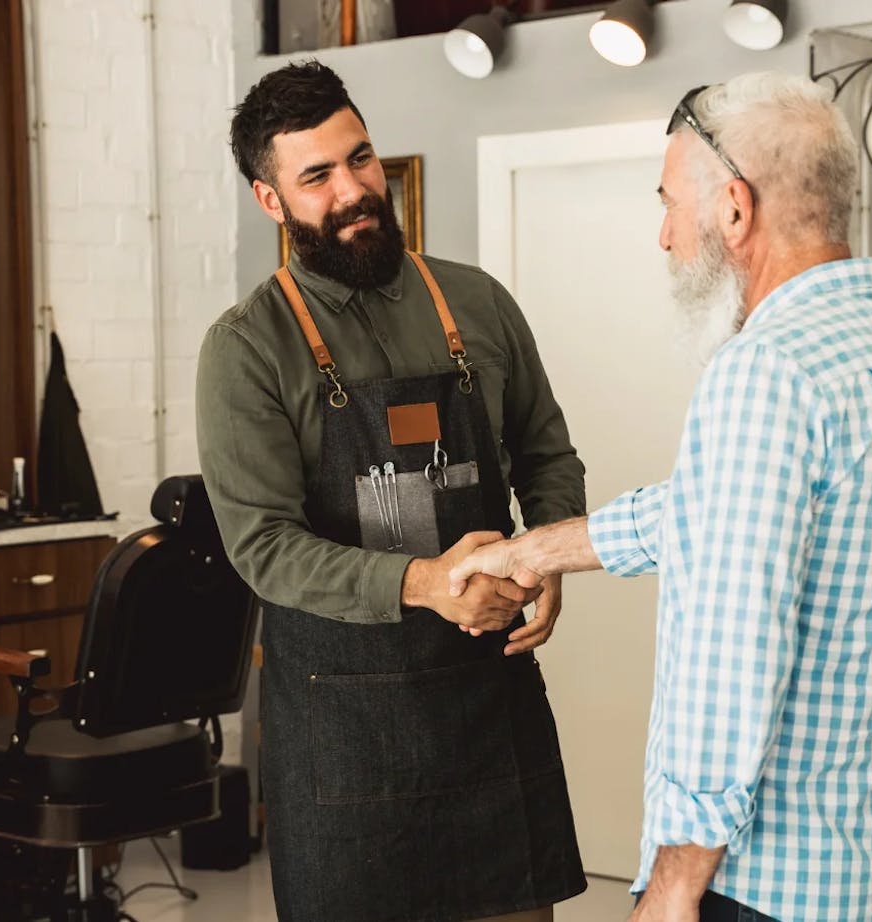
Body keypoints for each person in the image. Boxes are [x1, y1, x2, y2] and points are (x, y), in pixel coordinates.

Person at [449, 72, 872, 922]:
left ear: (733, 208)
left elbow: (730, 658)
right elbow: (715, 510)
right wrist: (531, 551)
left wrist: (674, 882)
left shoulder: (765, 373)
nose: (664, 236)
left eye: (668, 203)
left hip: (768, 886)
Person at [197, 61, 588, 922]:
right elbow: (262, 548)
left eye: (361, 158)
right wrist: (433, 584)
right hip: (348, 741)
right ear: (272, 201)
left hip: (488, 705)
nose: (354, 189)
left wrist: (550, 555)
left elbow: (546, 452)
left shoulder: (478, 301)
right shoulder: (247, 348)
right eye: (318, 176)